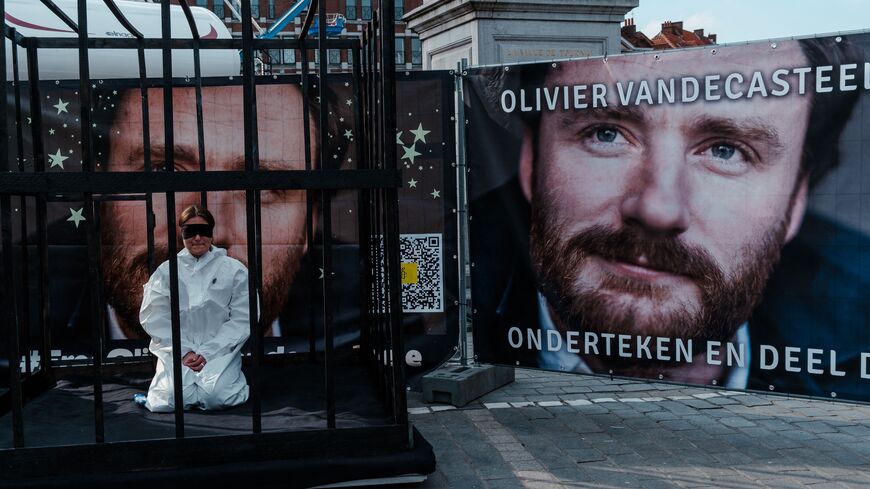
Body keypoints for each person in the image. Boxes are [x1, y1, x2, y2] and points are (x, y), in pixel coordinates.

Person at [470, 36, 868, 396]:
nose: (657, 209)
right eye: (606, 134)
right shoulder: (443, 310)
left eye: (726, 151)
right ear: (531, 159)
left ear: (797, 199)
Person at [136, 205, 250, 412]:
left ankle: (225, 381)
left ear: (212, 234)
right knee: (170, 400)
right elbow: (155, 316)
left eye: (203, 231)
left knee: (218, 397)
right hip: (178, 350)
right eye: (190, 231)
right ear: (181, 234)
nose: (197, 238)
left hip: (219, 350)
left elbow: (244, 317)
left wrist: (209, 351)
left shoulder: (234, 271)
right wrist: (183, 350)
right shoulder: (166, 271)